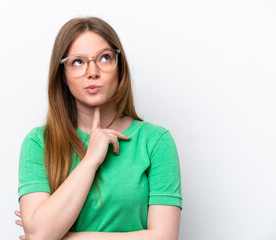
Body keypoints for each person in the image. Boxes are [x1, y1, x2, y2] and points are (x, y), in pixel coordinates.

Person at [14, 17, 182, 240]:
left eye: (104, 58)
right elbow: (40, 235)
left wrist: (63, 237)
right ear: (62, 74)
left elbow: (164, 237)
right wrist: (91, 160)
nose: (92, 72)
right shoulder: (38, 143)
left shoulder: (155, 141)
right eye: (78, 62)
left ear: (119, 67)